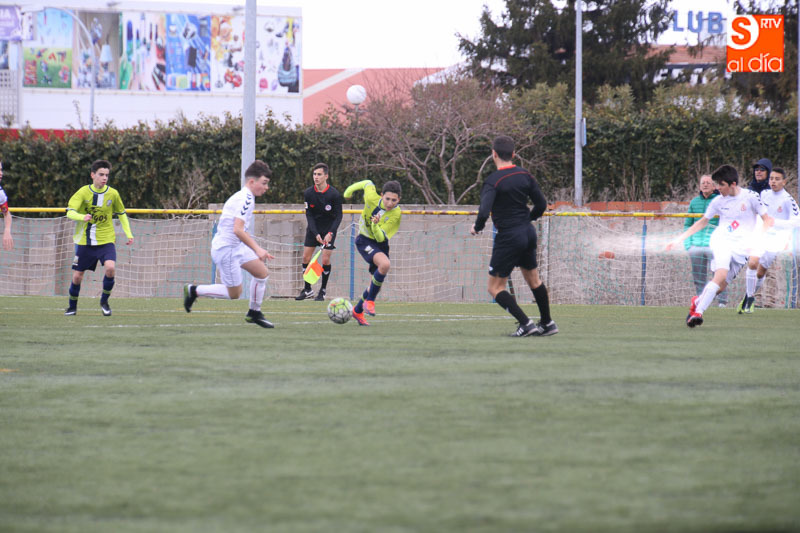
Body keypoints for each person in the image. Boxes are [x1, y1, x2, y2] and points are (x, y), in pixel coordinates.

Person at [470, 135, 557, 337]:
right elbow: (541, 205)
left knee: (494, 287)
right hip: (528, 232)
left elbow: (484, 212)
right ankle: (547, 323)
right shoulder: (525, 175)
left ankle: (526, 324)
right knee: (534, 280)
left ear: (493, 154)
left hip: (509, 236)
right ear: (514, 154)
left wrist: (477, 227)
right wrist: (527, 220)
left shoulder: (493, 181)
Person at [667, 164, 772, 327]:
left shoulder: (751, 197)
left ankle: (697, 301)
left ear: (733, 184)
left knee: (720, 287)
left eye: (721, 185)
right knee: (720, 276)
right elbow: (702, 222)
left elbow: (768, 221)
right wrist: (678, 239)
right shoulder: (718, 201)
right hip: (721, 241)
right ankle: (698, 313)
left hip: (741, 249)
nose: (718, 188)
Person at [183, 160, 275, 328]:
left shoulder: (245, 197)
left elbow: (240, 230)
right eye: (264, 183)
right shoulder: (245, 199)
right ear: (252, 181)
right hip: (227, 250)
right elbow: (237, 230)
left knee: (262, 273)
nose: (266, 187)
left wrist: (256, 249)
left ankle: (254, 313)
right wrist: (257, 249)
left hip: (236, 246)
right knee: (234, 293)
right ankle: (194, 290)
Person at [64, 160, 134, 316]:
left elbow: (122, 214)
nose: (104, 178)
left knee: (110, 268)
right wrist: (82, 217)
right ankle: (72, 306)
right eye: (101, 174)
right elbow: (69, 212)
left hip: (106, 240)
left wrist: (129, 233)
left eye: (107, 175)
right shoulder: (83, 192)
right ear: (92, 175)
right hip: (85, 241)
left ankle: (104, 301)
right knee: (77, 276)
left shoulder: (113, 194)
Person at [735, 167, 800, 313]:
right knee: (752, 263)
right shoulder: (764, 194)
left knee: (760, 273)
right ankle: (749, 299)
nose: (773, 181)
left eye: (777, 179)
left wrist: (775, 222)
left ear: (784, 181)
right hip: (761, 235)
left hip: (776, 240)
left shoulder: (788, 200)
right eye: (771, 179)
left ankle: (748, 296)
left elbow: (797, 221)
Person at [342, 178, 403, 326]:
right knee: (385, 264)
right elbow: (366, 183)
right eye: (387, 199)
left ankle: (357, 310)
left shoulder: (396, 213)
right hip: (364, 240)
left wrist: (375, 225)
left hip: (380, 242)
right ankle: (369, 302)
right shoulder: (371, 197)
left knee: (375, 285)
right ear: (381, 195)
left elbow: (381, 237)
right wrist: (348, 192)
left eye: (394, 200)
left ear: (399, 200)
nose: (390, 203)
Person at [295, 163, 343, 301]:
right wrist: (315, 233)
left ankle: (323, 290)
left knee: (325, 259)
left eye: (319, 174)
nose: (316, 177)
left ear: (326, 176)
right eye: (314, 174)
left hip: (328, 230)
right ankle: (307, 289)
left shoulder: (334, 194)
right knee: (305, 258)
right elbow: (309, 214)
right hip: (314, 229)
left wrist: (331, 233)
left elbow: (339, 216)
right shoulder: (308, 193)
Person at [683, 174, 728, 307]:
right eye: (703, 182)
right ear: (699, 186)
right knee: (698, 277)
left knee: (719, 274)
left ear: (714, 186)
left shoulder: (720, 201)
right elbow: (688, 224)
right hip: (696, 245)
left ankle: (722, 302)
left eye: (708, 182)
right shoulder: (694, 202)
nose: (705, 185)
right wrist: (688, 244)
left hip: (715, 245)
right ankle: (701, 301)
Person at [0, 160, 13, 251]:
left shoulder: (0, 194)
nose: (1, 173)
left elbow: (6, 213)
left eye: (1, 170)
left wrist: (7, 230)